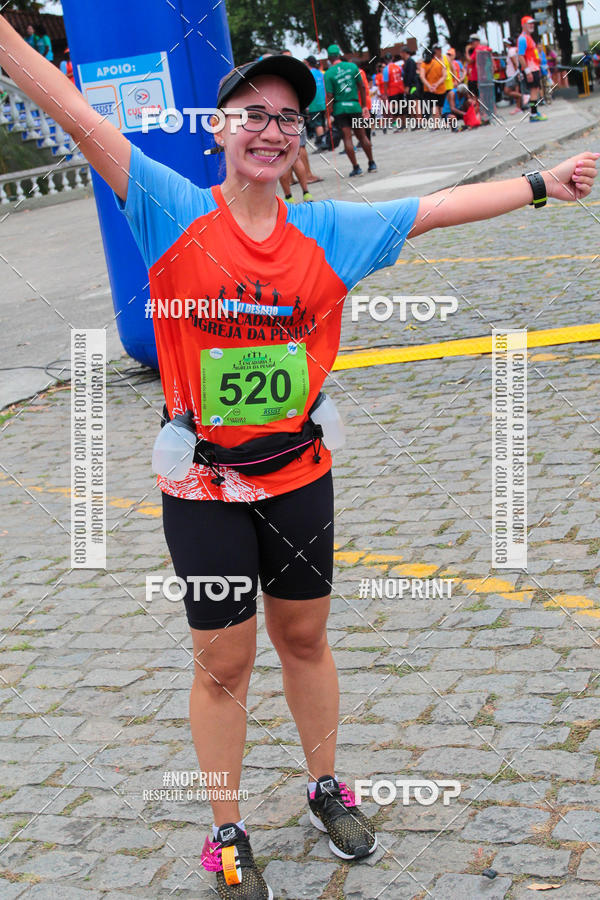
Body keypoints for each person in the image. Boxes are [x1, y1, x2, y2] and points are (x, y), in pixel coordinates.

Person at [2, 14, 598, 899]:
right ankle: (226, 828)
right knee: (225, 660)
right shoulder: (169, 206)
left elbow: (432, 210)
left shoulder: (331, 232)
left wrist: (541, 183)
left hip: (299, 476)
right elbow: (85, 121)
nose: (270, 128)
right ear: (221, 128)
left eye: (287, 117)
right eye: (252, 112)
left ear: (298, 138)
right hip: (201, 483)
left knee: (305, 637)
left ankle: (326, 787)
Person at [323, 43, 376, 176]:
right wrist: (364, 106)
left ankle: (356, 167)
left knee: (347, 137)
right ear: (339, 55)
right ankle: (371, 163)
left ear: (329, 58)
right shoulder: (352, 67)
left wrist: (328, 114)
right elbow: (362, 87)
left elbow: (329, 96)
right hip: (354, 106)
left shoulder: (328, 74)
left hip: (340, 109)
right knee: (362, 135)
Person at [518, 15, 547, 121]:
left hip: (534, 68)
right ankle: (533, 114)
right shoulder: (522, 39)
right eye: (529, 23)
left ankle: (534, 112)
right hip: (530, 69)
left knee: (535, 90)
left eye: (532, 23)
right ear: (523, 25)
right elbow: (520, 55)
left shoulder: (528, 37)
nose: (531, 25)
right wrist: (527, 71)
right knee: (533, 91)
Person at [305, 55, 326, 149]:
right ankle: (326, 141)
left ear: (307, 63)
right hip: (323, 102)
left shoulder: (308, 73)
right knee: (322, 122)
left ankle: (322, 144)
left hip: (314, 103)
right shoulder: (320, 73)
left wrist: (306, 105)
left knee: (317, 124)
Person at [503, 36, 522, 113]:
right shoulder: (516, 49)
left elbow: (514, 63)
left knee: (507, 91)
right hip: (515, 73)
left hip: (512, 74)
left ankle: (522, 97)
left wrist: (516, 72)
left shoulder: (511, 51)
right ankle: (518, 107)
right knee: (516, 90)